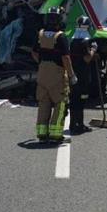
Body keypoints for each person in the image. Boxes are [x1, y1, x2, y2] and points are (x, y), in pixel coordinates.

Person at [32, 8, 75, 142]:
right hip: (57, 74)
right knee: (60, 103)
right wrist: (72, 74)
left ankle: (42, 133)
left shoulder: (40, 34)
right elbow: (66, 58)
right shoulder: (60, 37)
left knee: (44, 102)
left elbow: (34, 52)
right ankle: (56, 134)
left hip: (42, 72)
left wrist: (41, 62)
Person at [68, 16, 96, 135]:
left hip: (73, 74)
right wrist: (94, 49)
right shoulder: (85, 41)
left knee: (74, 99)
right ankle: (79, 125)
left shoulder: (72, 39)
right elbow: (87, 58)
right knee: (81, 100)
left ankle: (73, 123)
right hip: (83, 76)